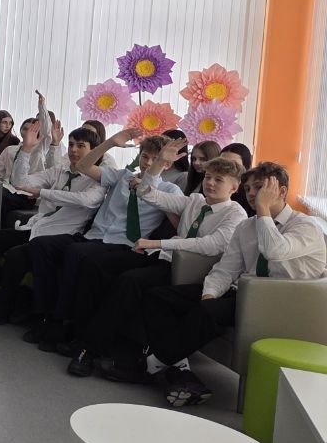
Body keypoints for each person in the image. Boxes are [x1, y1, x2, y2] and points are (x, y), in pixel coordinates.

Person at [136, 162, 327, 406]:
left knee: (209, 312)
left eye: (259, 188)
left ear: (281, 191)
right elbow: (226, 268)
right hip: (244, 293)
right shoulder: (246, 226)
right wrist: (210, 293)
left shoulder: (306, 226)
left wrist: (263, 210)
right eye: (248, 189)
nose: (252, 194)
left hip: (280, 303)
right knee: (159, 297)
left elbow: (275, 250)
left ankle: (152, 364)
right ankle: (178, 369)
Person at [65, 147, 246, 378]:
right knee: (98, 265)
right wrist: (159, 164)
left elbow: (211, 245)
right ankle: (80, 332)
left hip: (189, 271)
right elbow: (147, 192)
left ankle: (89, 349)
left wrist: (159, 243)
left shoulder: (235, 214)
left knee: (129, 281)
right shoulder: (195, 201)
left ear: (234, 187)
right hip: (163, 259)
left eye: (218, 180)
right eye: (208, 177)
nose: (210, 183)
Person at [27, 130, 182, 351]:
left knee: (79, 255)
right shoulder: (122, 176)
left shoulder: (170, 190)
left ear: (167, 164)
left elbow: (179, 225)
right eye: (145, 156)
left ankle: (61, 321)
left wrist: (160, 198)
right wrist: (110, 143)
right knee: (41, 245)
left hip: (127, 246)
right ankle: (44, 312)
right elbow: (83, 167)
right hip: (94, 237)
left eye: (155, 159)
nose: (148, 163)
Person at [0, 126, 107, 325]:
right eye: (71, 144)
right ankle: (11, 293)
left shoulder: (100, 179)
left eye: (80, 146)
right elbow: (19, 182)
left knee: (16, 256)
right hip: (35, 228)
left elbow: (85, 200)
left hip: (62, 236)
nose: (73, 150)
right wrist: (26, 150)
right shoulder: (59, 170)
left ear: (93, 151)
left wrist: (42, 193)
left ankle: (3, 305)